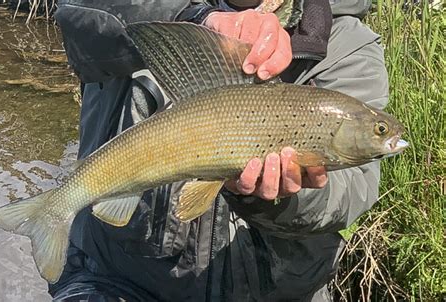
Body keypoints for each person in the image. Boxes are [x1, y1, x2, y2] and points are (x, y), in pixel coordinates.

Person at [51, 0, 388, 301]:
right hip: (120, 281)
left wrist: (271, 199)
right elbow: (77, 14)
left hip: (279, 292)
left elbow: (354, 191)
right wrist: (195, 19)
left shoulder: (348, 45)